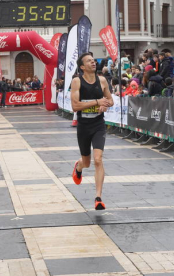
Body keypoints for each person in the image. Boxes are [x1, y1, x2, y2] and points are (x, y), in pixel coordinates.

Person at [70, 52, 114, 210]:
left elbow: (111, 100)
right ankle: (79, 166)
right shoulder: (77, 82)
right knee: (87, 162)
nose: (93, 62)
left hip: (98, 125)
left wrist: (105, 105)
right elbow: (75, 106)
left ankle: (98, 198)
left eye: (93, 60)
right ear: (82, 67)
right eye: (89, 61)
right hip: (83, 126)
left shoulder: (102, 80)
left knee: (98, 159)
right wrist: (96, 101)